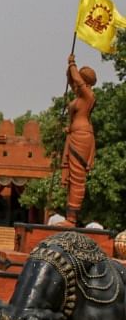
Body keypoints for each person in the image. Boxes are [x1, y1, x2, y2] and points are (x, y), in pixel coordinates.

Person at [61, 53, 97, 225]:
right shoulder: (79, 97)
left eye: (79, 82)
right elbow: (71, 79)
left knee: (77, 178)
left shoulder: (88, 96)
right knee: (71, 179)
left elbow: (77, 80)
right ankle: (69, 217)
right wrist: (69, 69)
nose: (75, 85)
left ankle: (72, 218)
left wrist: (73, 63)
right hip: (75, 136)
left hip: (82, 139)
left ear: (86, 83)